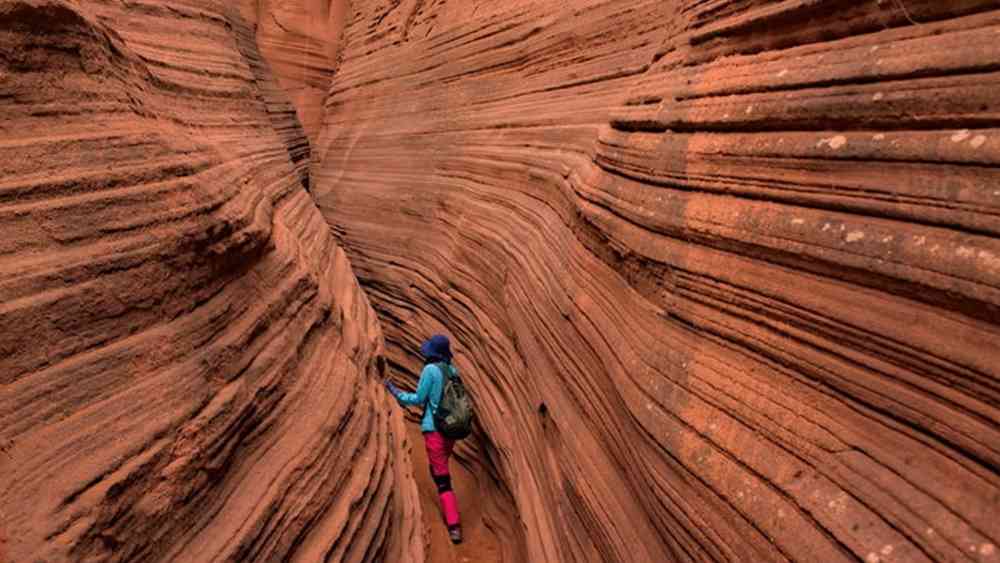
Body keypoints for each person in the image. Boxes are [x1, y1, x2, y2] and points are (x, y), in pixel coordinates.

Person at [384, 334, 463, 544]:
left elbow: (419, 398)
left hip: (434, 430)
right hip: (451, 431)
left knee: (442, 481)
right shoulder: (452, 370)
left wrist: (396, 393)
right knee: (440, 467)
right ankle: (440, 476)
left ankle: (454, 526)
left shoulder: (430, 370)